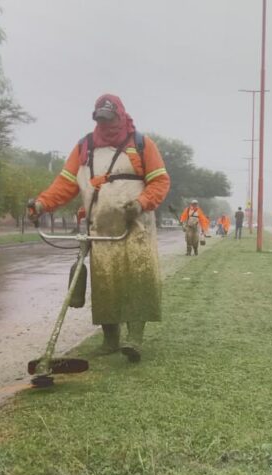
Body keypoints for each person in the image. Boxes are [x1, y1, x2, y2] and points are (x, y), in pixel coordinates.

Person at [28, 94, 170, 362]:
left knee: (136, 278)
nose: (106, 125)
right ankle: (110, 339)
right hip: (101, 228)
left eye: (110, 119)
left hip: (135, 227)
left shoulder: (141, 144)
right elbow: (65, 184)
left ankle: (135, 338)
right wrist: (41, 204)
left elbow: (160, 182)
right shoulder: (85, 147)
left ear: (121, 115)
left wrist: (141, 203)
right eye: (100, 120)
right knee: (106, 282)